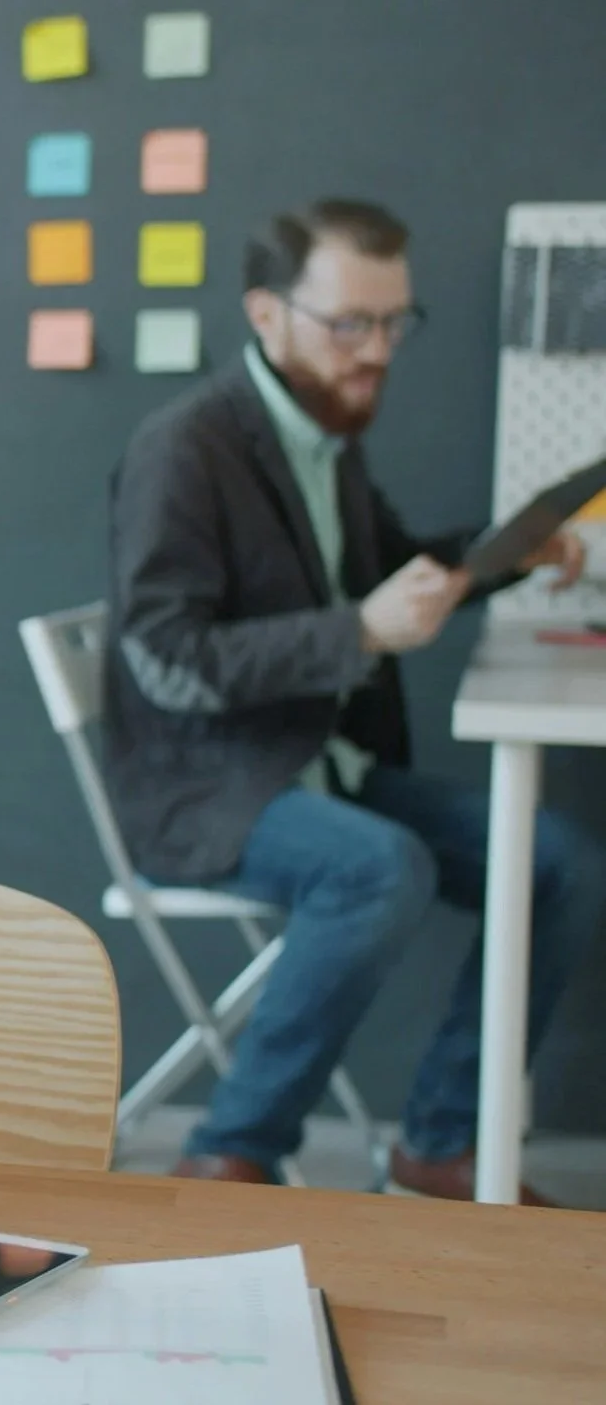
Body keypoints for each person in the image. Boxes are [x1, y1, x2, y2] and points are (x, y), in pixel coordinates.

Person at [106, 197, 604, 1200]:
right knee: (382, 867)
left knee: (559, 863)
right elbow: (162, 653)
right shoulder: (184, 449)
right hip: (209, 789)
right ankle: (229, 1146)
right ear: (265, 313)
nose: (375, 350)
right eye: (350, 324)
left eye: (392, 323)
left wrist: (506, 554)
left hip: (315, 765)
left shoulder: (325, 433)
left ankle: (437, 1142)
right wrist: (361, 630)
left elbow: (387, 566)